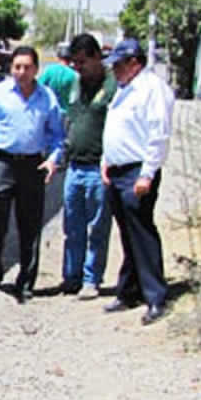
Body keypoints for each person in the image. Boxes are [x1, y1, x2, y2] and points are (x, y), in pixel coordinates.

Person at [0, 46, 65, 301]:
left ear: (36, 69)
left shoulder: (47, 98)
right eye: (17, 67)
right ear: (11, 68)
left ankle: (26, 281)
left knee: (31, 225)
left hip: (33, 166)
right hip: (1, 164)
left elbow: (57, 136)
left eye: (27, 67)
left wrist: (54, 159)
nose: (21, 72)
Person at [100, 39, 175, 325]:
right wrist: (106, 160)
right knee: (127, 233)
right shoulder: (124, 90)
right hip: (117, 170)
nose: (114, 70)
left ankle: (156, 296)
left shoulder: (152, 90)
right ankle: (129, 290)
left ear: (135, 63)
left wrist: (147, 174)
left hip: (136, 172)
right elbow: (117, 129)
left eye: (118, 65)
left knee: (141, 232)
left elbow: (158, 135)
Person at [58, 34, 117, 299]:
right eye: (74, 63)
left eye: (82, 62)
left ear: (96, 57)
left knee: (97, 227)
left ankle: (91, 279)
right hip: (75, 166)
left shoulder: (113, 86)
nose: (78, 67)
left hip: (99, 168)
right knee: (72, 225)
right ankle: (71, 277)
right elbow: (68, 119)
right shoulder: (75, 86)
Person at [38, 43, 79, 117]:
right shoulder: (74, 75)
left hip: (48, 111)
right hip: (64, 113)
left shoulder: (49, 69)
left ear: (58, 57)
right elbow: (74, 98)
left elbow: (38, 87)